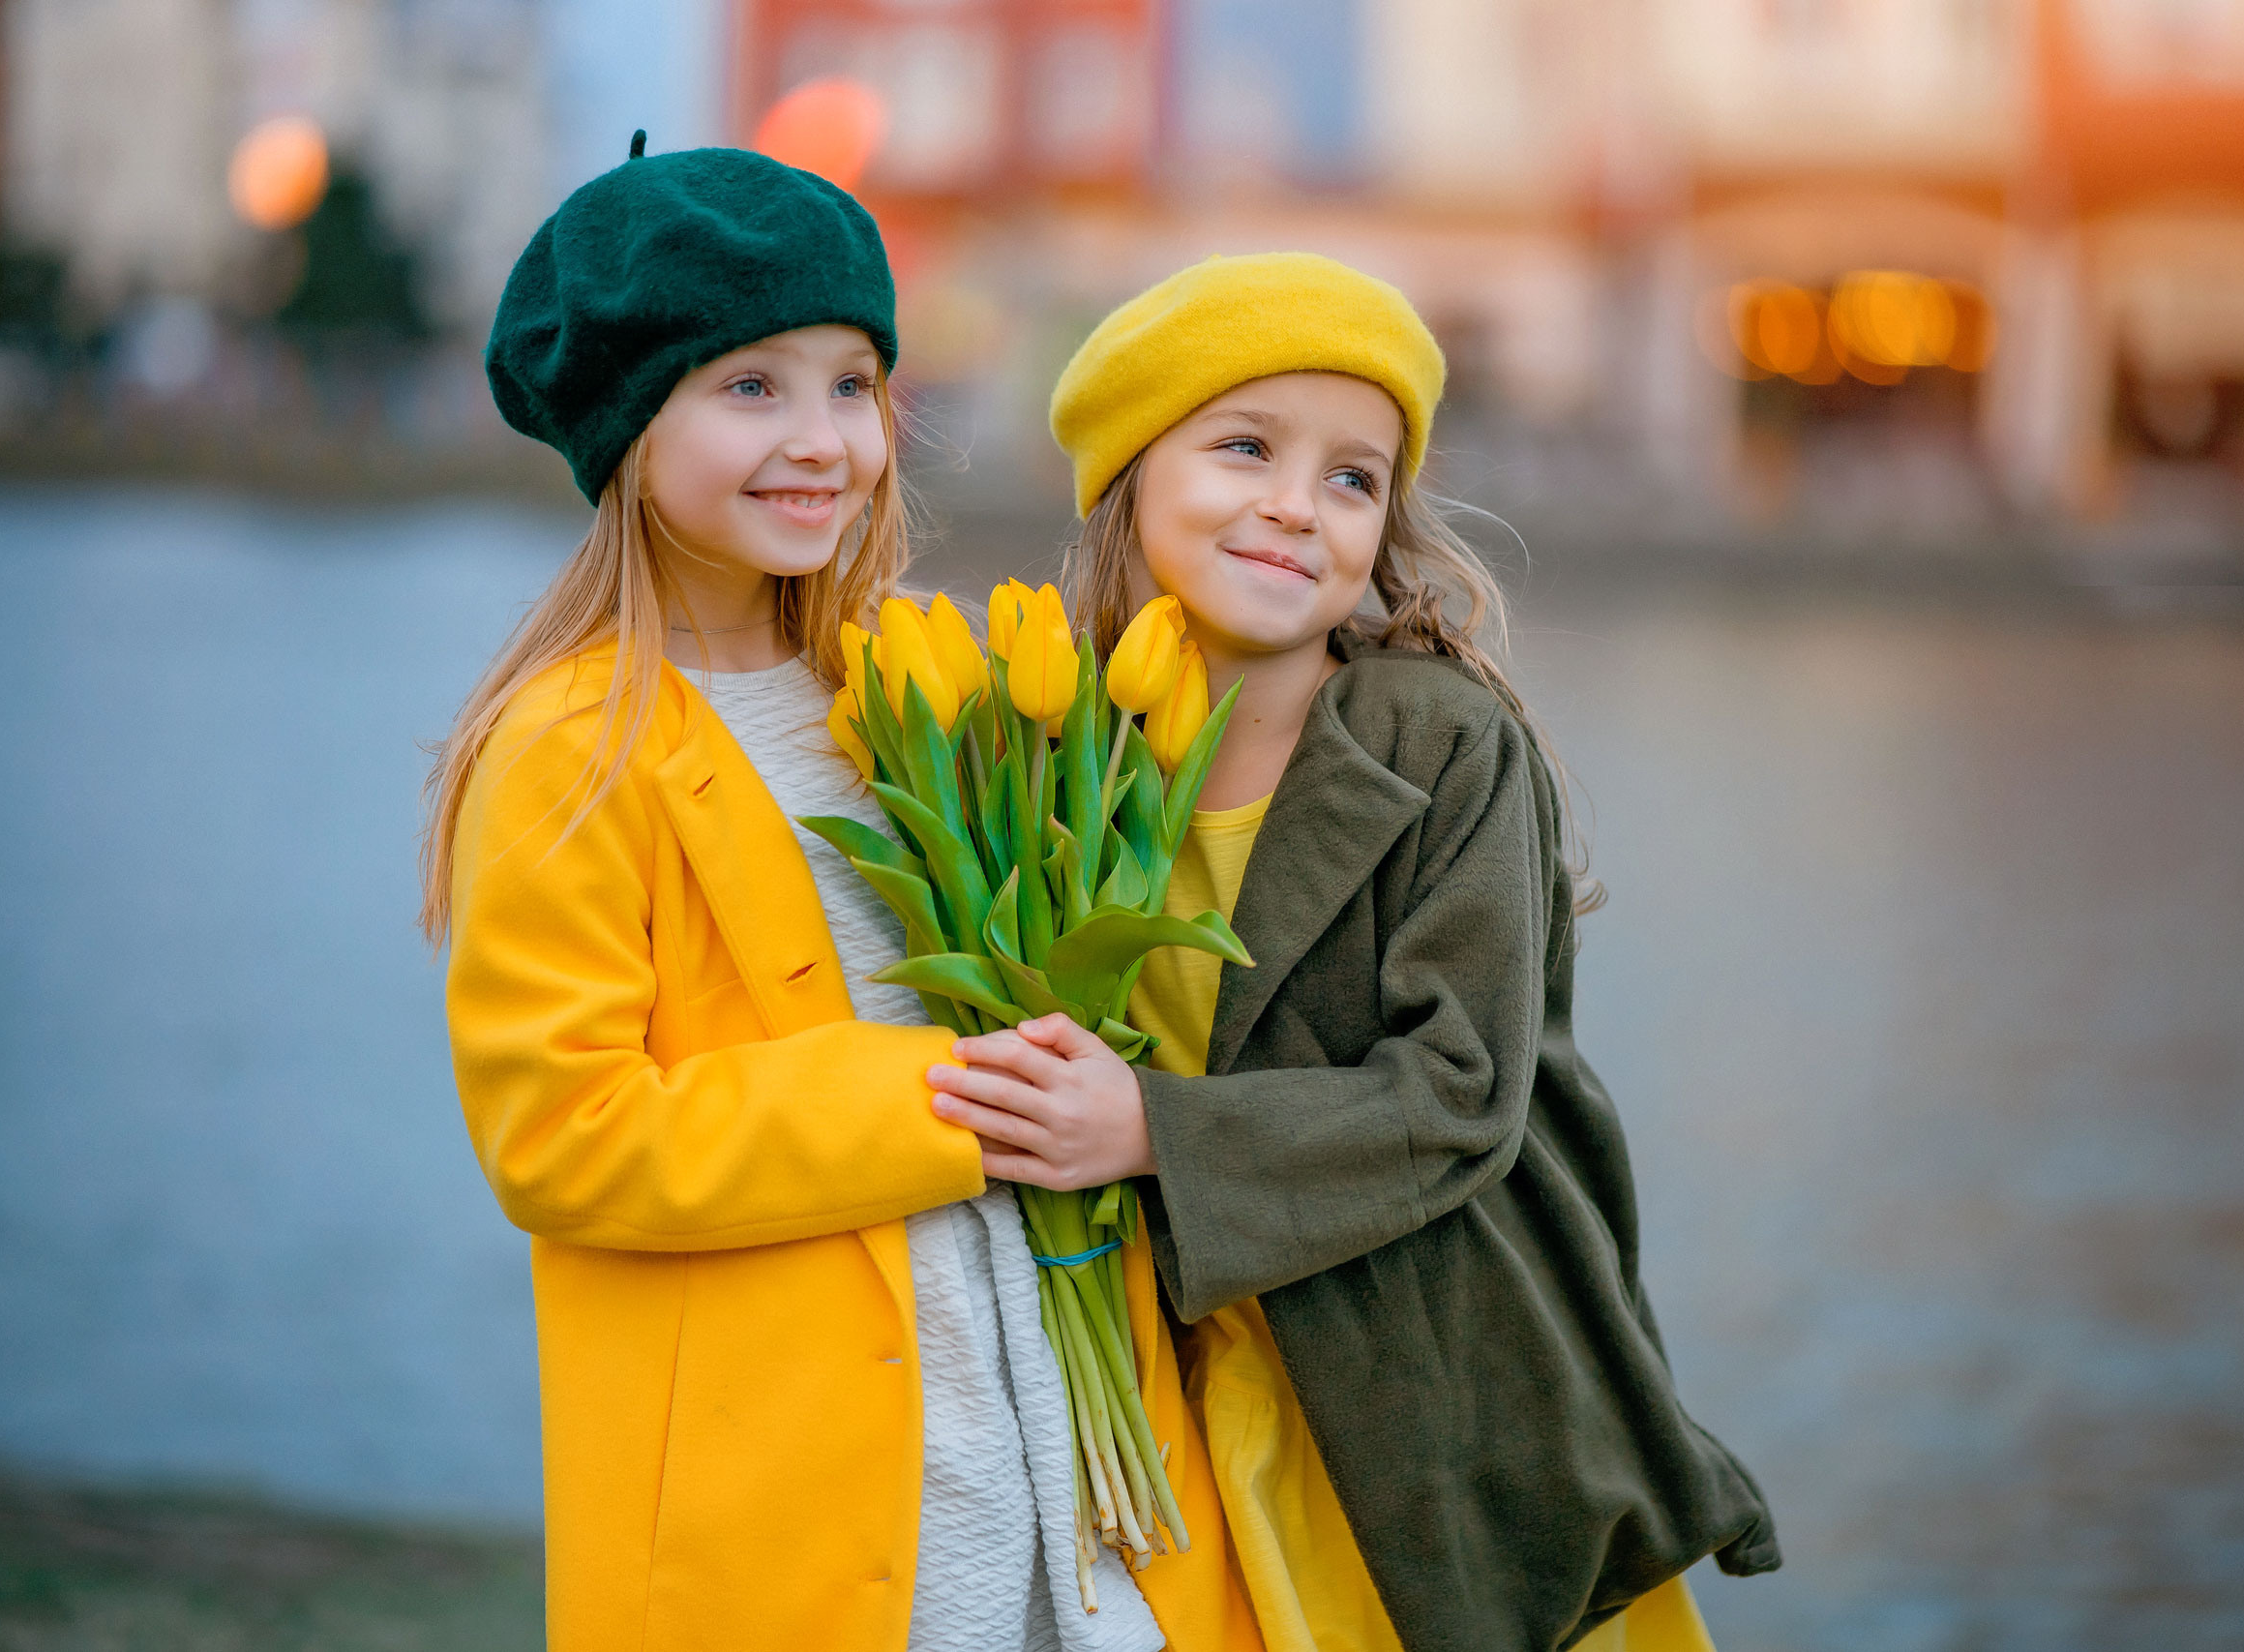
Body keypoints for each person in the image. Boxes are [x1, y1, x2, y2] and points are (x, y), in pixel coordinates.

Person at [422, 142, 1255, 1652]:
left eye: (853, 385)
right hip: (793, 1455)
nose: (823, 441)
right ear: (625, 419)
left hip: (1034, 1367)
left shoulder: (895, 681)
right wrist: (951, 1100)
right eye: (750, 388)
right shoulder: (571, 745)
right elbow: (563, 1137)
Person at [925, 253, 1780, 1652]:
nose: (1294, 504)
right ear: (1125, 476)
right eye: (1245, 446)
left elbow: (1461, 1095)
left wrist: (1150, 1130)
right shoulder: (1043, 746)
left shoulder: (1440, 742)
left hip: (1427, 1385)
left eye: (1352, 478)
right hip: (1168, 1372)